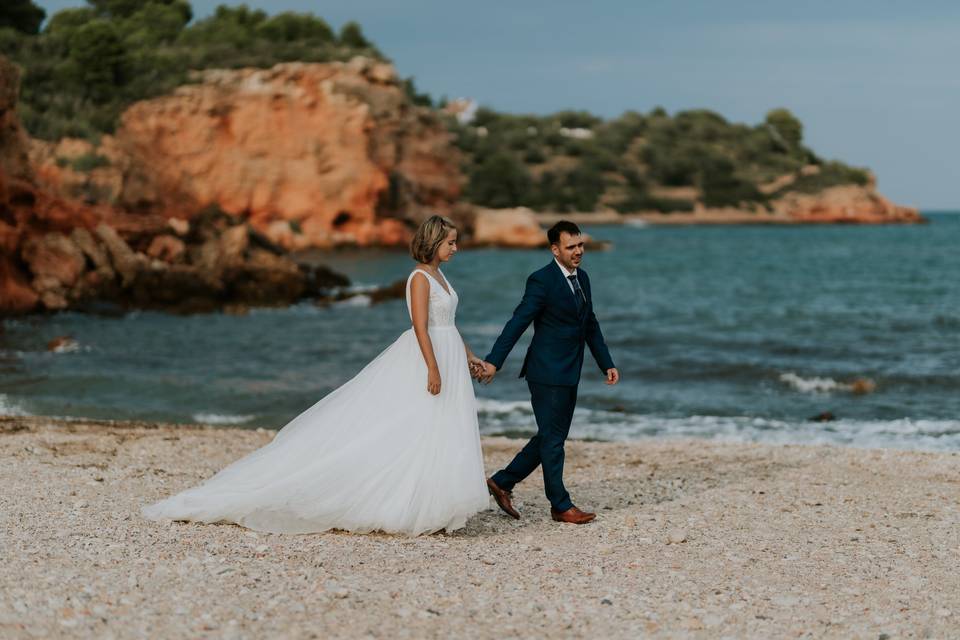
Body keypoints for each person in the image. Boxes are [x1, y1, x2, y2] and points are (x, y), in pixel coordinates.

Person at [142, 215, 489, 536]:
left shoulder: (442, 276)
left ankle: (436, 503)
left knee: (439, 427)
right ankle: (408, 503)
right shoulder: (418, 278)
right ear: (432, 243)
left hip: (447, 352)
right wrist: (432, 367)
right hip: (425, 356)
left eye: (455, 243)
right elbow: (419, 326)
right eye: (450, 243)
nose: (455, 249)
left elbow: (448, 325)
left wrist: (469, 357)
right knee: (412, 425)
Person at [476, 220, 619, 525]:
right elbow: (518, 322)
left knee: (550, 436)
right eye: (571, 247)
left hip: (570, 370)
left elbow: (589, 323)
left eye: (580, 245)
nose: (578, 251)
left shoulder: (583, 278)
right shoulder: (541, 281)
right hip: (546, 371)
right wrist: (494, 361)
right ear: (555, 249)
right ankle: (560, 504)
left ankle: (502, 481)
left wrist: (606, 361)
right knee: (554, 441)